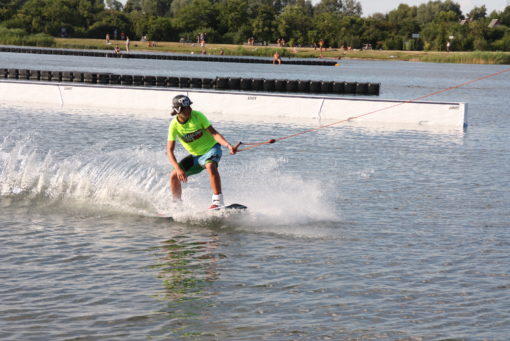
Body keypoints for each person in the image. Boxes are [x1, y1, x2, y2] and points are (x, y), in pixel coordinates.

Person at [166, 95, 238, 209]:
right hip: (196, 157)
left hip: (212, 149)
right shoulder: (174, 125)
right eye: (185, 108)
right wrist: (178, 169)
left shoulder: (198, 116)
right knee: (174, 175)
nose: (189, 109)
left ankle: (218, 201)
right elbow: (169, 151)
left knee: (210, 165)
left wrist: (228, 145)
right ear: (178, 110)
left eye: (189, 106)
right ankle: (176, 206)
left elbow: (214, 133)